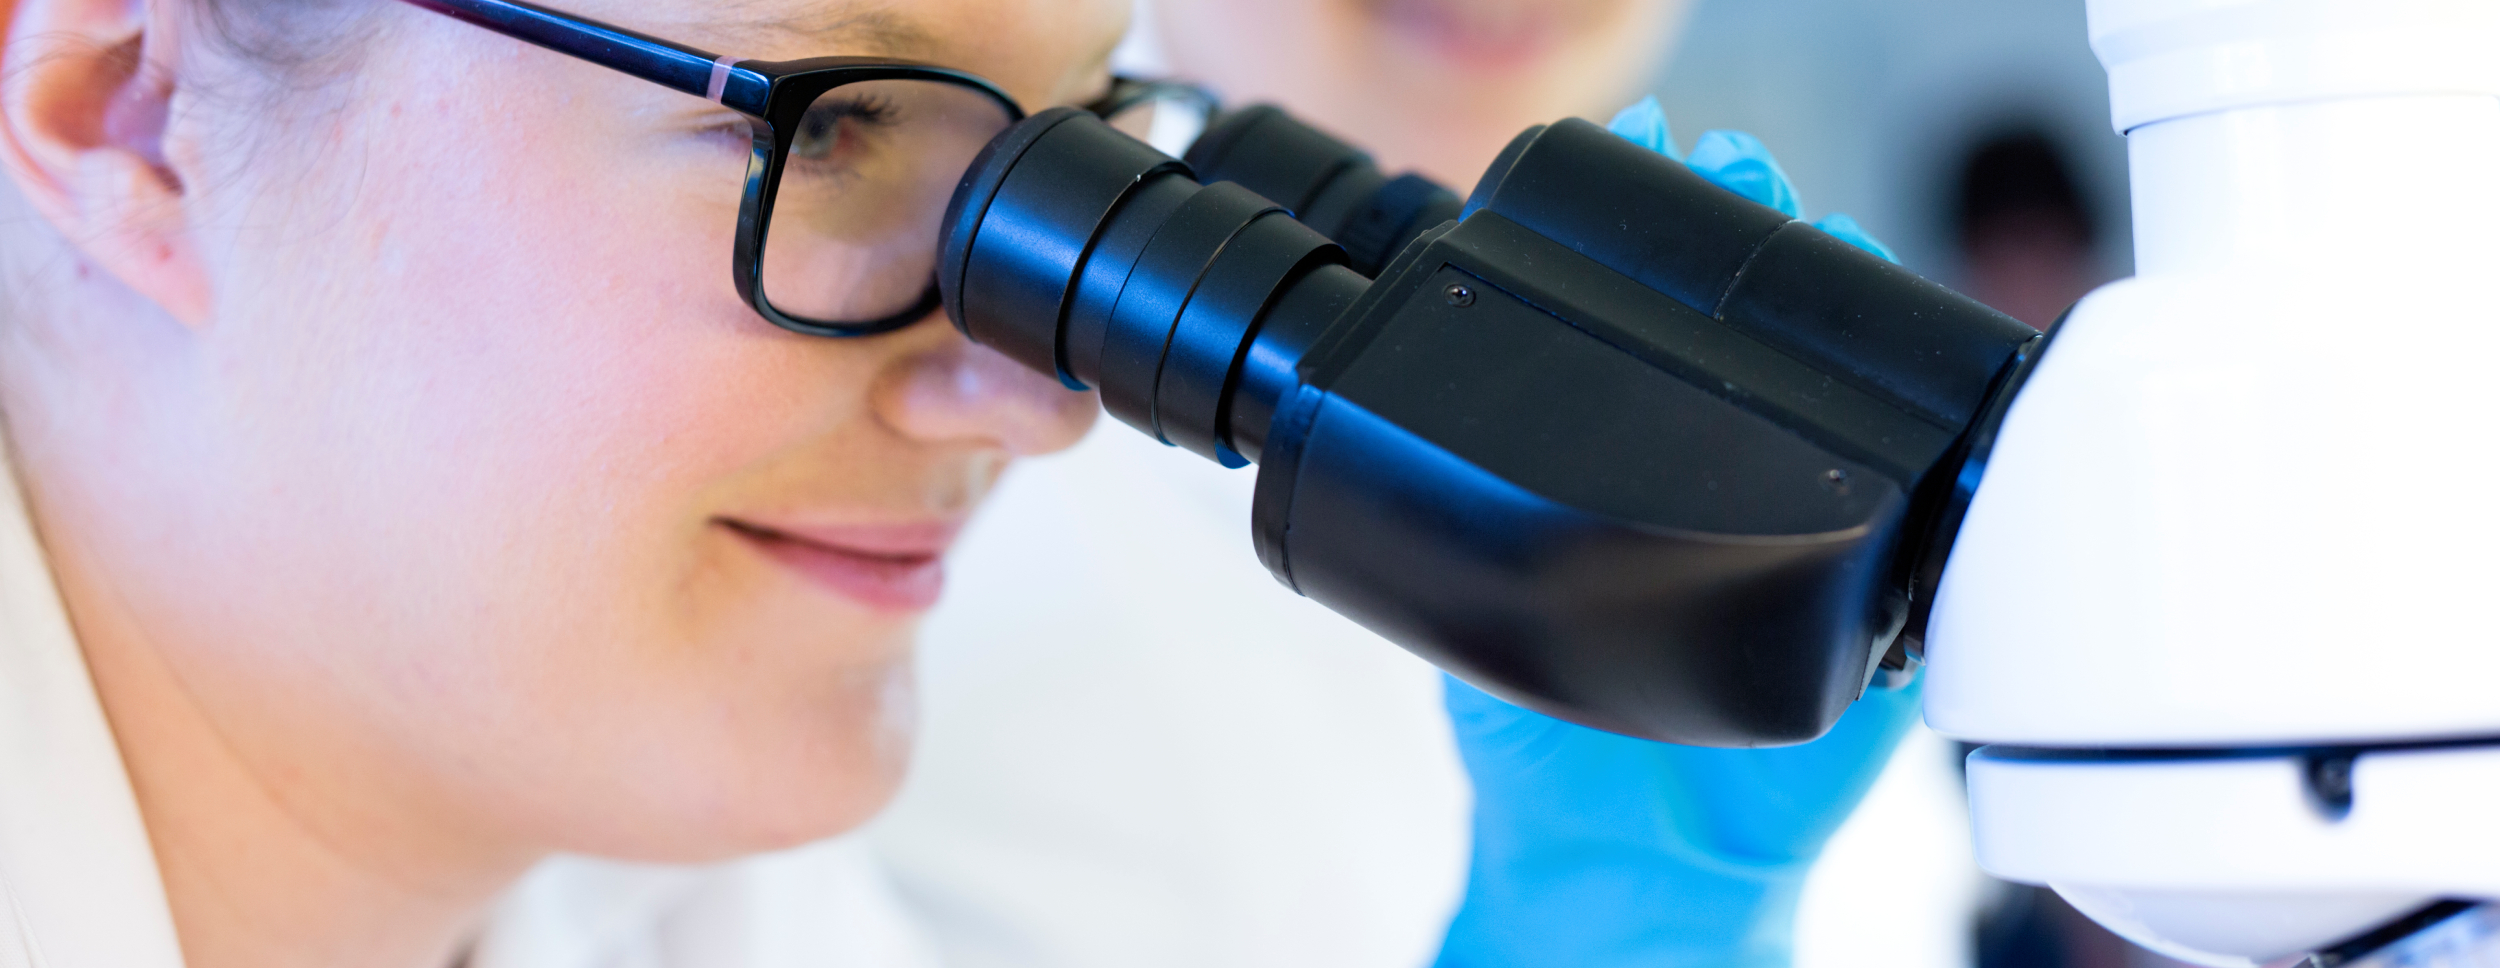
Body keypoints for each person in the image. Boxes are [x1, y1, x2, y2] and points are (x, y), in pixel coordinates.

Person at [0, 2, 1908, 968]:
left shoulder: (707, 916)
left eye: (1086, 144)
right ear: (134, 117)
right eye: (832, 135)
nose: (1034, 401)